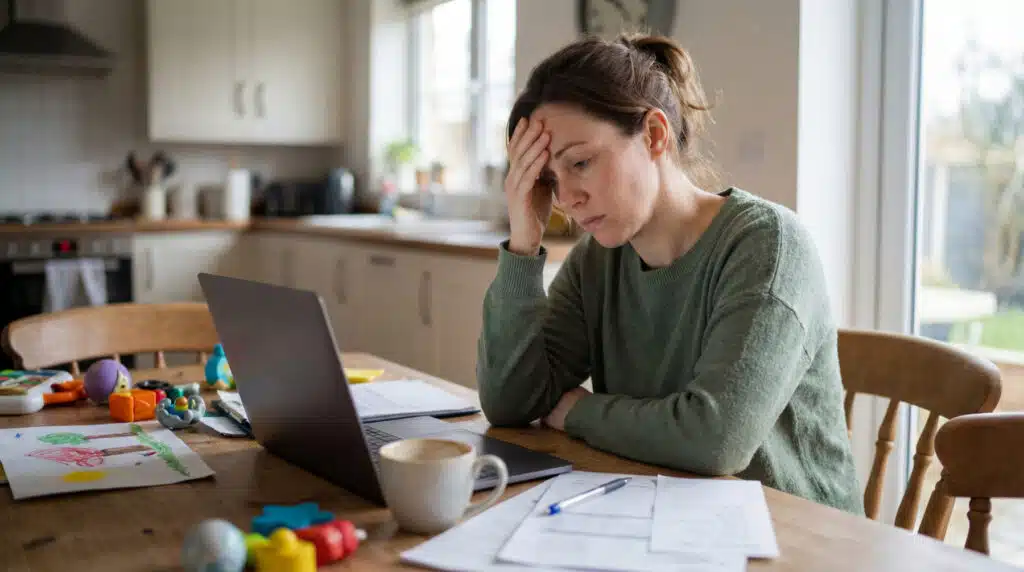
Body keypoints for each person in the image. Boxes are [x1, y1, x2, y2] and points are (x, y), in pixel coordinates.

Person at [475, 33, 863, 514]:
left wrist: (577, 410)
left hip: (801, 538)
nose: (566, 199)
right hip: (666, 519)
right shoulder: (597, 258)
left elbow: (715, 439)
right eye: (549, 180)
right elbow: (512, 403)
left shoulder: (768, 245)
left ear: (655, 136)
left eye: (580, 162)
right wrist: (523, 241)